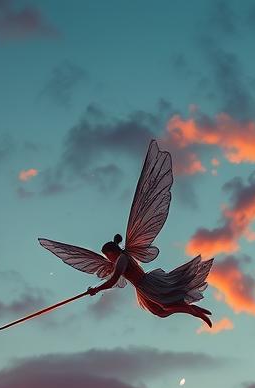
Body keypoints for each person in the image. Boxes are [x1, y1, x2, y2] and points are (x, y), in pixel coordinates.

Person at [38, 139, 213, 327]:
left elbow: (114, 279)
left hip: (146, 284)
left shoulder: (122, 259)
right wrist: (96, 289)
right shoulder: (119, 259)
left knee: (163, 305)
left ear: (114, 252)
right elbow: (114, 277)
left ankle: (192, 310)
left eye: (108, 256)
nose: (109, 260)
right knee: (160, 311)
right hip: (141, 287)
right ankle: (192, 310)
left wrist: (96, 290)